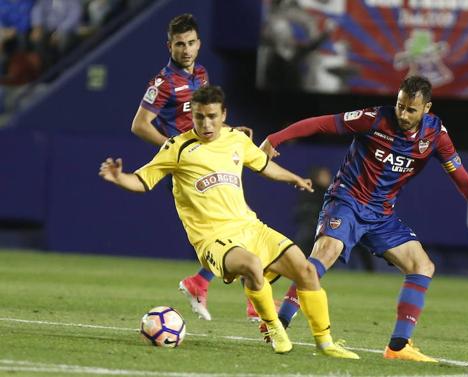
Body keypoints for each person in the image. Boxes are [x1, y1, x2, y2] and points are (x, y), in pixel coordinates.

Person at [260, 75, 468, 362]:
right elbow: (321, 122)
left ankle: (399, 346)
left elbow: (462, 178)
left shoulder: (436, 136)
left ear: (426, 108)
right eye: (400, 105)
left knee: (422, 265)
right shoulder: (373, 119)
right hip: (348, 201)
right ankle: (279, 322)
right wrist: (275, 138)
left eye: (410, 109)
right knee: (326, 252)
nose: (402, 114)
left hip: (381, 215)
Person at [99, 85, 359, 359]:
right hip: (212, 238)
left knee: (306, 270)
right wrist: (120, 177)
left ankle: (326, 343)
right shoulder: (177, 147)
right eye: (199, 117)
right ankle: (273, 327)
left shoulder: (235, 139)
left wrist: (292, 177)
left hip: (250, 227)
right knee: (251, 265)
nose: (206, 123)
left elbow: (263, 164)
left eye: (211, 116)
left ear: (224, 114)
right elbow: (142, 181)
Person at [130, 13, 252, 322]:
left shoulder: (201, 73)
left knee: (238, 224)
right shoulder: (163, 82)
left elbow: (203, 119)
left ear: (199, 44)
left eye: (191, 43)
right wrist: (175, 152)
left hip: (212, 157)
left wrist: (228, 130)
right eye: (180, 44)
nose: (186, 49)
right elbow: (140, 125)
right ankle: (252, 303)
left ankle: (202, 282)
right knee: (237, 225)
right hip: (191, 167)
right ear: (169, 45)